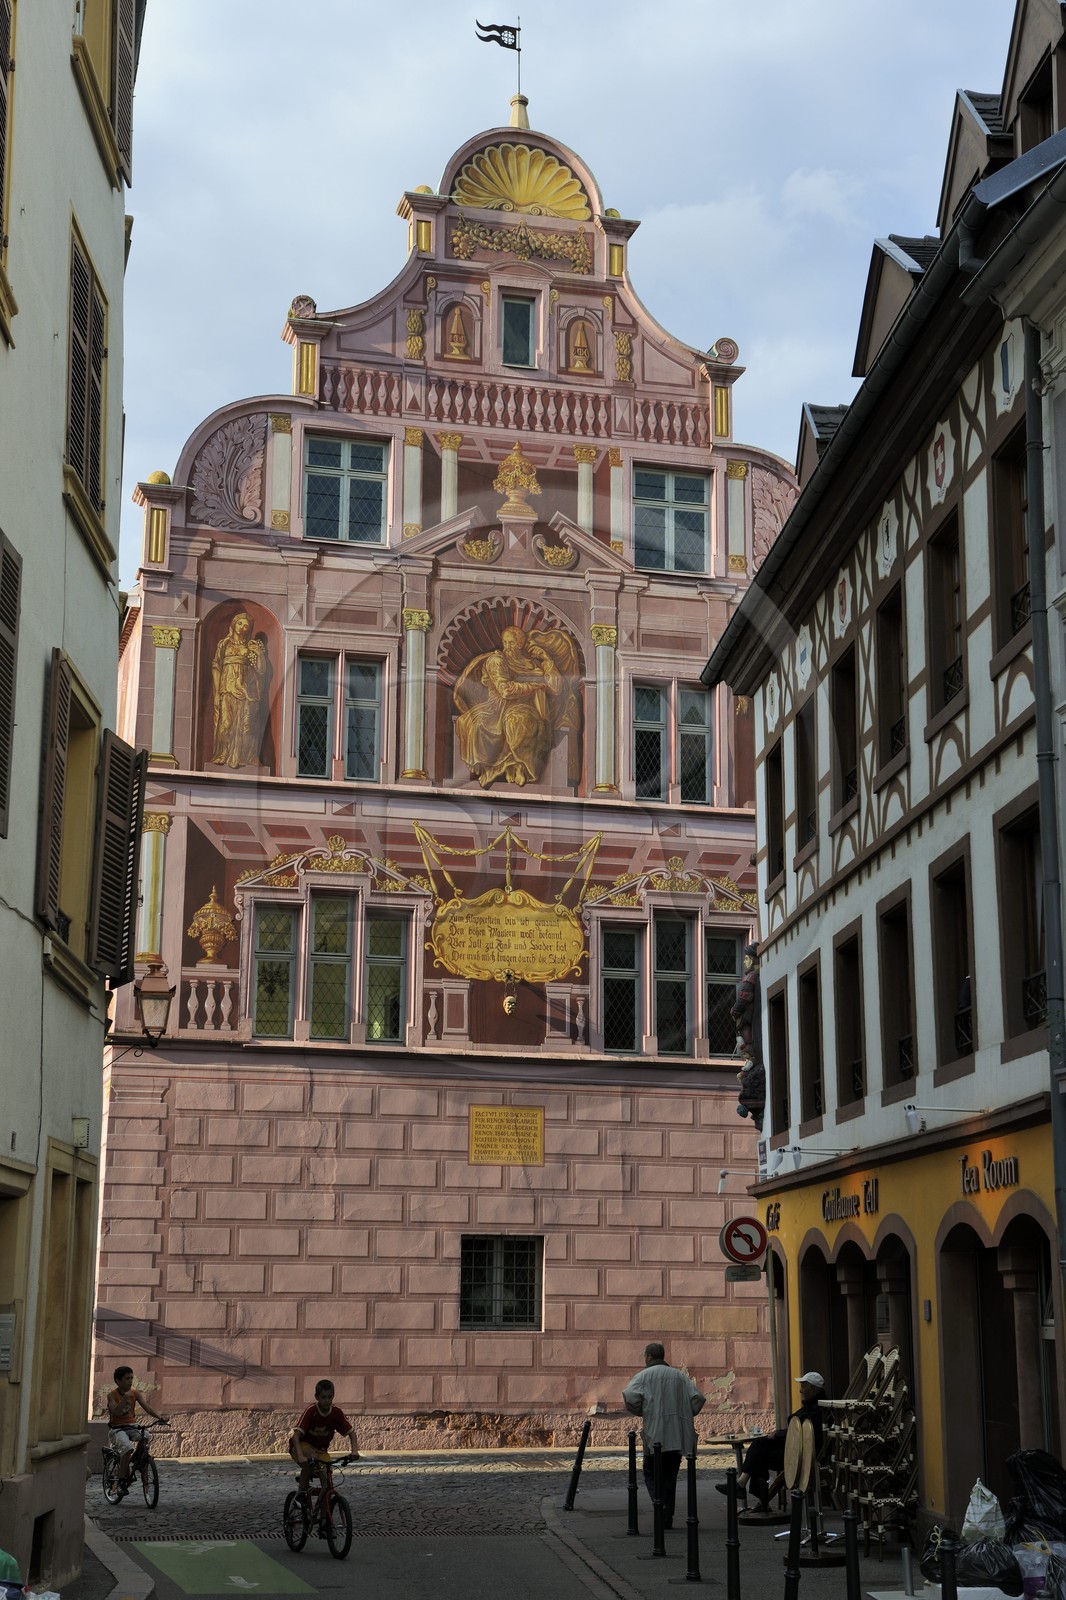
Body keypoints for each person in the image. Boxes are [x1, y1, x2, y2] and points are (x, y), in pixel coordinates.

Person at [454, 625, 580, 788]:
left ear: (521, 644)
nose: (508, 647)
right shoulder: (497, 660)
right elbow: (505, 691)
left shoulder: (533, 664)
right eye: (505, 643)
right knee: (515, 720)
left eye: (512, 643)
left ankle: (518, 767)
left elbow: (556, 688)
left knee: (522, 720)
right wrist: (533, 686)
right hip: (498, 708)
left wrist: (546, 659)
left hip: (530, 708)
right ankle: (508, 767)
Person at [716, 1371, 826, 1512]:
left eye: (804, 1387)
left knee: (761, 1455)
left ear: (814, 1389)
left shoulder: (818, 1409)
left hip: (802, 1453)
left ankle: (750, 1491)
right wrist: (779, 1434)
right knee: (759, 1444)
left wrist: (778, 1434)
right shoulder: (812, 1405)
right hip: (794, 1446)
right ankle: (744, 1486)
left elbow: (804, 1434)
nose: (801, 1390)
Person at [623, 1343, 706, 1528]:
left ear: (649, 1357)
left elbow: (629, 1396)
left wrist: (641, 1410)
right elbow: (698, 1399)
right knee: (670, 1476)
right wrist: (684, 1412)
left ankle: (659, 1504)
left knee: (650, 1473)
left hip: (655, 1435)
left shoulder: (643, 1376)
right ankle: (667, 1516)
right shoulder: (679, 1376)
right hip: (677, 1435)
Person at [210, 610, 269, 768]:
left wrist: (259, 654)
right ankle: (223, 754)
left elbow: (261, 670)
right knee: (225, 723)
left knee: (246, 724)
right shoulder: (224, 644)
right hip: (227, 688)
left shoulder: (251, 646)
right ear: (234, 624)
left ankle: (246, 757)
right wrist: (217, 692)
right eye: (240, 623)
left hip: (245, 690)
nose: (243, 627)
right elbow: (216, 666)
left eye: (246, 626)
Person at [288, 1379, 358, 1494]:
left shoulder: (336, 1413)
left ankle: (325, 1509)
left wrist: (355, 1451)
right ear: (317, 1397)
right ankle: (300, 1493)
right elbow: (295, 1435)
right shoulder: (311, 1411)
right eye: (323, 1397)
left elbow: (352, 1433)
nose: (327, 1400)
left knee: (327, 1484)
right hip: (301, 1446)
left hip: (321, 1451)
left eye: (329, 1397)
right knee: (311, 1458)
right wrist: (300, 1456)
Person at [107, 1366, 167, 1495]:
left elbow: (148, 1408)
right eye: (127, 1378)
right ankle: (122, 1482)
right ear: (118, 1381)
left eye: (131, 1378)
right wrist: (125, 1398)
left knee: (146, 1436)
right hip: (117, 1429)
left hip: (131, 1425)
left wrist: (160, 1418)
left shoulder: (135, 1393)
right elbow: (115, 1411)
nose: (130, 1381)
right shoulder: (112, 1395)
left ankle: (137, 1461)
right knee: (127, 1448)